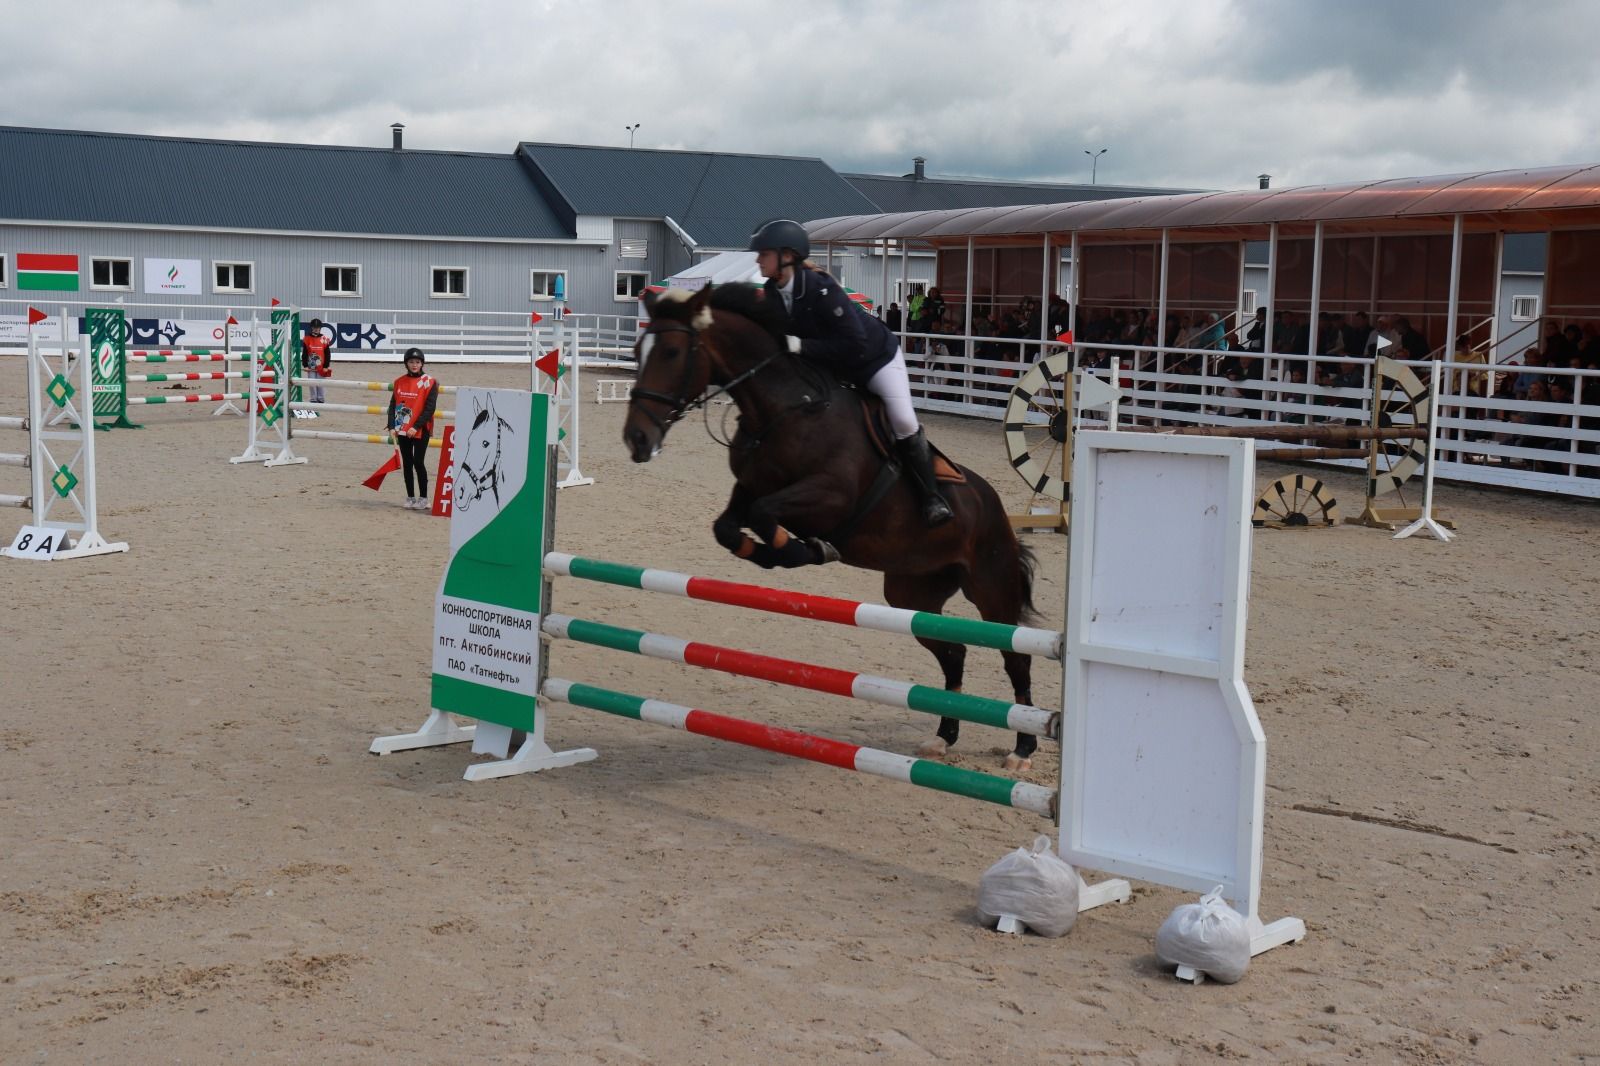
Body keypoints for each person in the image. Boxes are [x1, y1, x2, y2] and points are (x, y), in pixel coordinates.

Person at [747, 219, 952, 526]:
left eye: (763, 253)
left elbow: (851, 343)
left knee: (903, 420)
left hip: (874, 359)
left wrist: (800, 346)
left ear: (786, 255)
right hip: (834, 367)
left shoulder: (821, 288)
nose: (757, 259)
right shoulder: (772, 292)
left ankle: (932, 498)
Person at [387, 347, 440, 511]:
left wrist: (416, 426)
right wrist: (391, 426)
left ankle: (424, 498)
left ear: (422, 363)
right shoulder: (399, 382)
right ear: (406, 364)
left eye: (417, 362)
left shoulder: (429, 382)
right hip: (402, 430)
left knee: (418, 462)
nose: (414, 364)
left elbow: (430, 408)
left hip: (421, 429)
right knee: (407, 463)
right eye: (411, 362)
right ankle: (410, 497)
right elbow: (393, 404)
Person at [302, 318, 332, 409]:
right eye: (314, 328)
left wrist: (326, 366)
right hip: (311, 366)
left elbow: (327, 354)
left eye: (318, 328)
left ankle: (321, 399)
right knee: (312, 383)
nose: (316, 329)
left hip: (321, 366)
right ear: (311, 328)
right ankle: (313, 399)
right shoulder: (307, 339)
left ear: (320, 328)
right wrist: (305, 365)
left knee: (321, 383)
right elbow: (305, 353)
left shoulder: (324, 339)